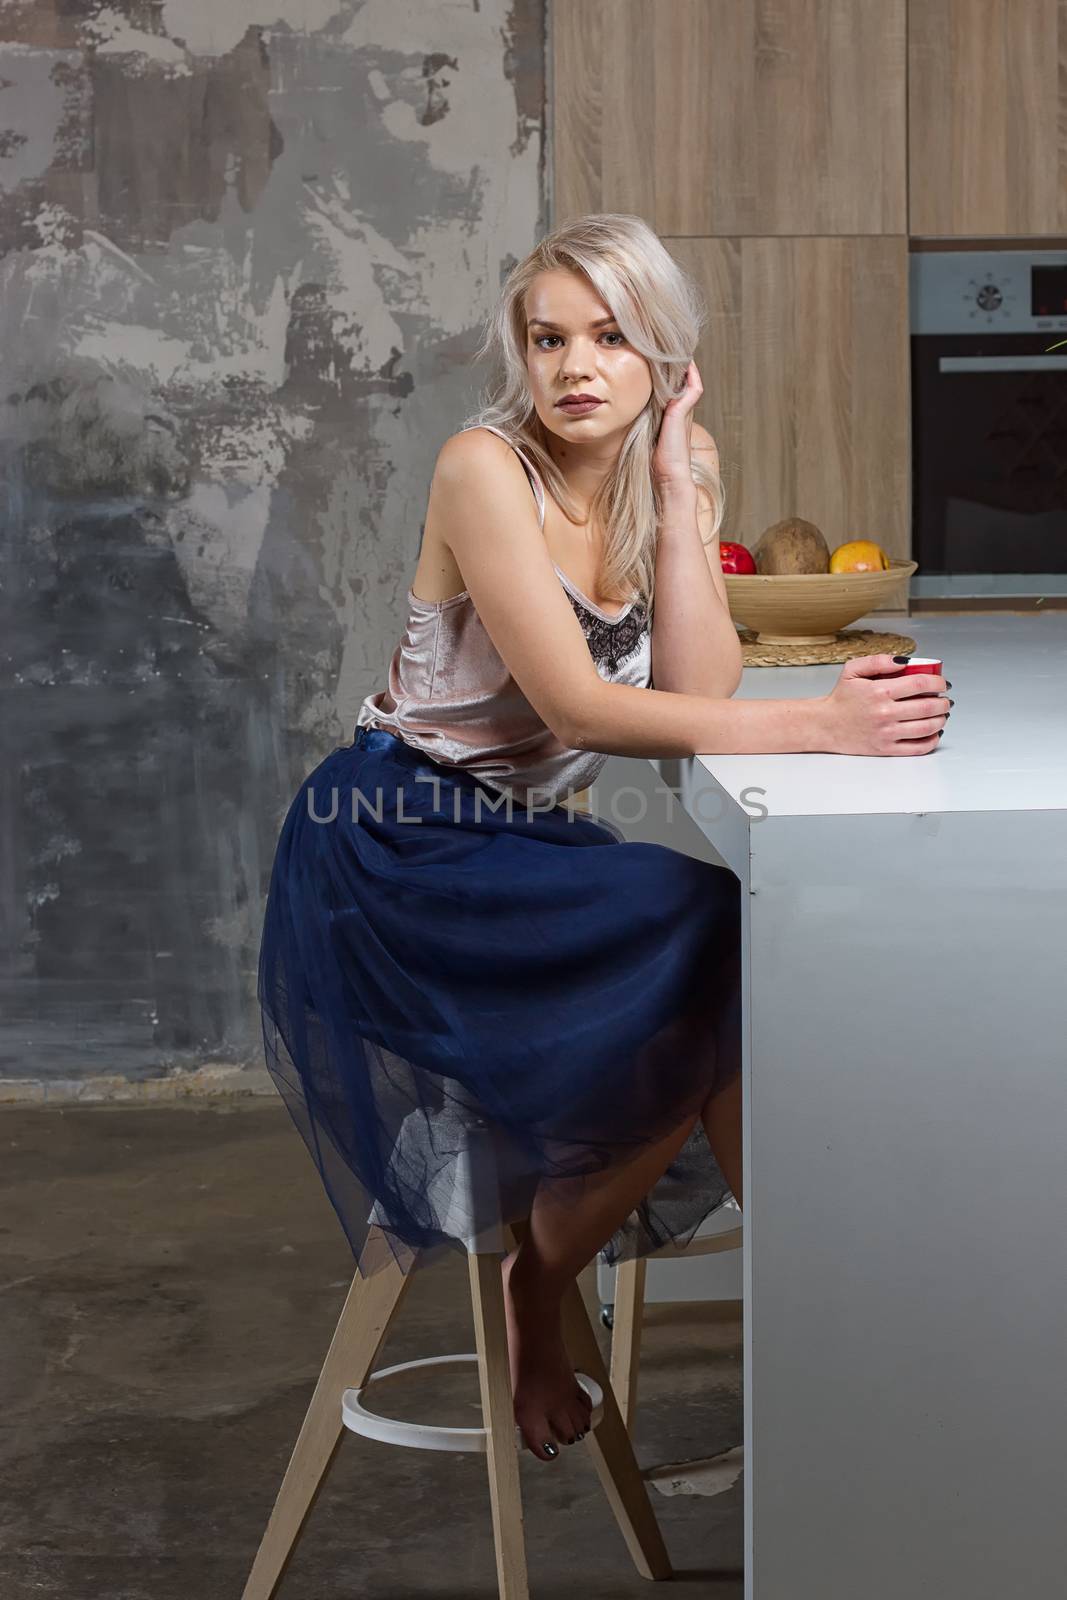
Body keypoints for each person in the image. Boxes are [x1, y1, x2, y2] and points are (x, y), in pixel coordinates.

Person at [257, 212, 950, 1464]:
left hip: (516, 841)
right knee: (709, 928)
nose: (576, 367)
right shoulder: (483, 468)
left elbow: (698, 688)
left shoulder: (669, 467)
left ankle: (728, 1315)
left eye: (611, 338)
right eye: (547, 339)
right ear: (518, 356)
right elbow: (582, 708)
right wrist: (826, 729)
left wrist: (679, 493)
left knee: (728, 948)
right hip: (395, 840)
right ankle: (809, 1341)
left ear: (661, 357)